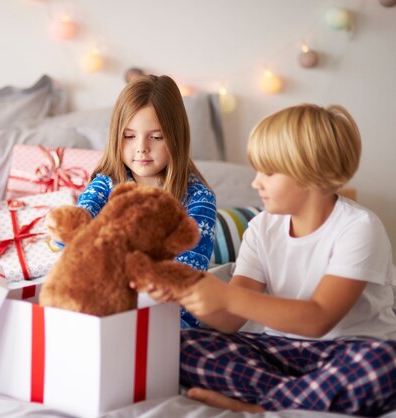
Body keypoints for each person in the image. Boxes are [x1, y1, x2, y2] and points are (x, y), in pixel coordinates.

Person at [138, 103, 396, 416]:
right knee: (182, 346)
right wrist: (187, 293)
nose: (255, 182)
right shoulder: (262, 227)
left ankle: (259, 405)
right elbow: (231, 320)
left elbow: (319, 318)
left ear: (311, 173)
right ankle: (294, 396)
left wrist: (226, 296)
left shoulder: (359, 227)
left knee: (386, 364)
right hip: (279, 351)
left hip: (349, 350)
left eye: (268, 173)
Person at [45, 74, 217, 329]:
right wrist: (62, 230)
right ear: (116, 136)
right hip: (102, 308)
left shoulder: (199, 198)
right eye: (129, 136)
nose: (141, 148)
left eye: (156, 137)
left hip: (169, 318)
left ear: (176, 137)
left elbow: (187, 275)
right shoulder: (106, 184)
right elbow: (77, 233)